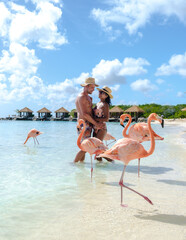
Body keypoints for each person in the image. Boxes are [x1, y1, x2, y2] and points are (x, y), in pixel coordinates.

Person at [74, 77, 104, 163]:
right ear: (86, 86)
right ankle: (74, 165)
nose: (93, 90)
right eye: (92, 87)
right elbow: (84, 114)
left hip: (89, 123)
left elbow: (90, 111)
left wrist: (96, 110)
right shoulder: (81, 97)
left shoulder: (89, 98)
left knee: (86, 147)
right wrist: (96, 124)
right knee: (84, 147)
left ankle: (81, 165)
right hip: (83, 124)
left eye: (94, 88)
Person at [93, 86, 113, 161]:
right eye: (99, 92)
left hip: (101, 128)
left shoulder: (105, 105)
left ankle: (111, 161)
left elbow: (107, 118)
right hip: (95, 127)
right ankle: (100, 168)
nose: (99, 93)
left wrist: (95, 119)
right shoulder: (98, 103)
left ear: (106, 95)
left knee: (98, 148)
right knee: (97, 148)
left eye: (102, 92)